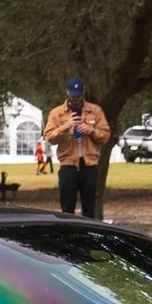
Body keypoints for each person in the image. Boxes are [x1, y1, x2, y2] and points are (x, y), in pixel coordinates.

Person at [45, 78, 112, 218]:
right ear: (67, 92)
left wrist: (90, 130)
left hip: (89, 165)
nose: (75, 98)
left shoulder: (95, 111)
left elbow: (105, 136)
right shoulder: (57, 113)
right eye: (72, 95)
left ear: (83, 92)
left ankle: (88, 229)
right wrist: (66, 126)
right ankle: (68, 230)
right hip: (68, 165)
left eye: (78, 95)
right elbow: (49, 137)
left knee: (89, 208)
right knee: (67, 208)